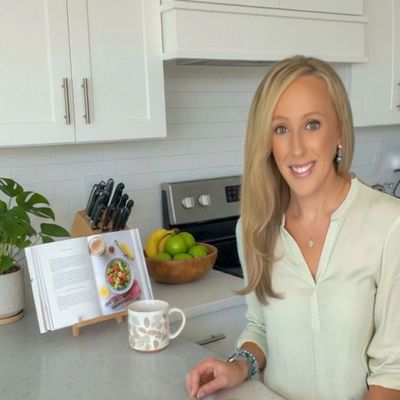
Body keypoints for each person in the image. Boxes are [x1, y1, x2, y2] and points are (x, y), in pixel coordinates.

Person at [185, 56, 400, 400]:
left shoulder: (390, 225)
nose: (296, 148)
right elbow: (260, 327)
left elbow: (393, 373)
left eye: (312, 124)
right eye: (281, 128)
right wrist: (239, 365)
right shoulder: (255, 230)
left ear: (340, 131)